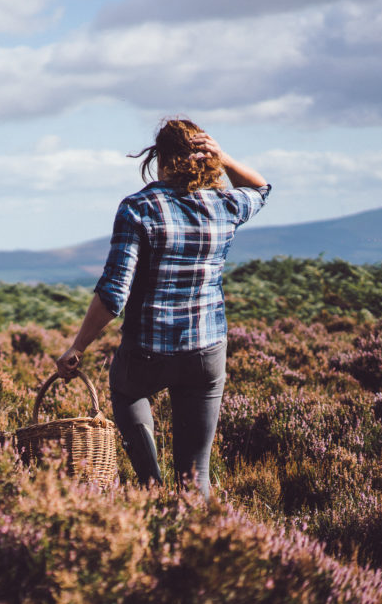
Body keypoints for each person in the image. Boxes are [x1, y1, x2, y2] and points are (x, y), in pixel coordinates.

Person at [56, 118, 270, 497]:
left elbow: (113, 294)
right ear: (206, 158)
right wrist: (225, 159)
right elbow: (260, 187)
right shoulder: (225, 203)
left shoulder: (139, 207)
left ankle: (150, 487)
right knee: (196, 475)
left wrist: (78, 346)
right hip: (206, 352)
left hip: (147, 351)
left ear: (161, 158)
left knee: (125, 392)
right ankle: (195, 545)